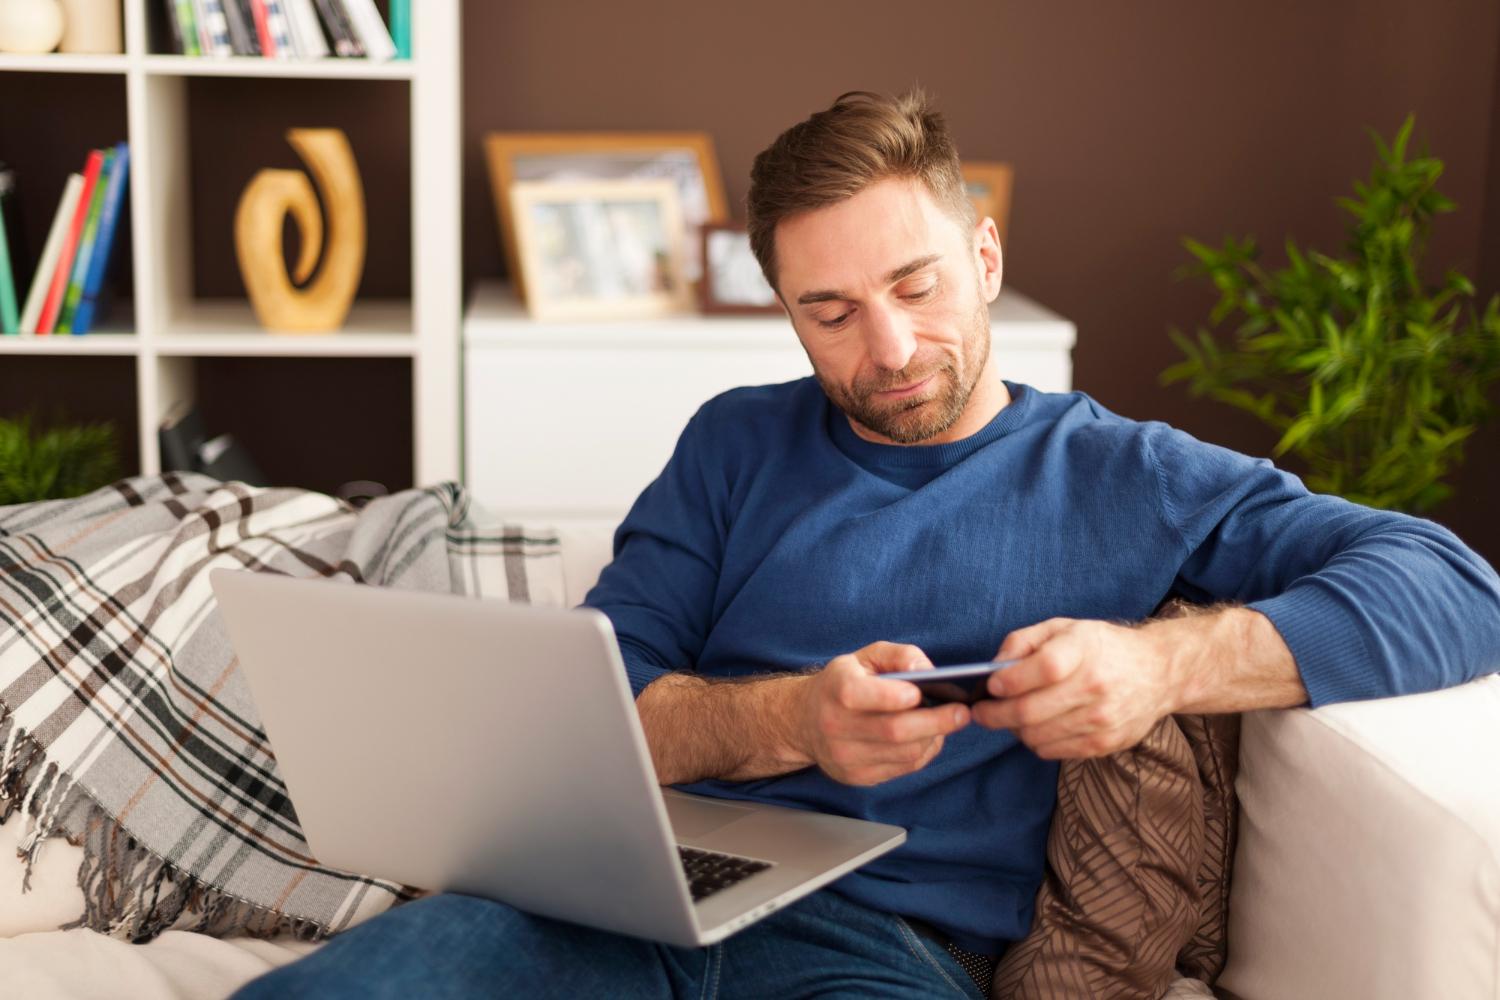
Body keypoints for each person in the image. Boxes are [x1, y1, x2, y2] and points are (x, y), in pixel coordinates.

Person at [236, 90, 1500, 999]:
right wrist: (786, 720)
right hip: (630, 901)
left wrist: (1160, 670)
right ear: (784, 311)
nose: (885, 349)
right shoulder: (734, 444)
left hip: (884, 948)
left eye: (916, 286)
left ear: (985, 256)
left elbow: (1456, 585)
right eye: (829, 311)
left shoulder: (1131, 475)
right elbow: (595, 707)